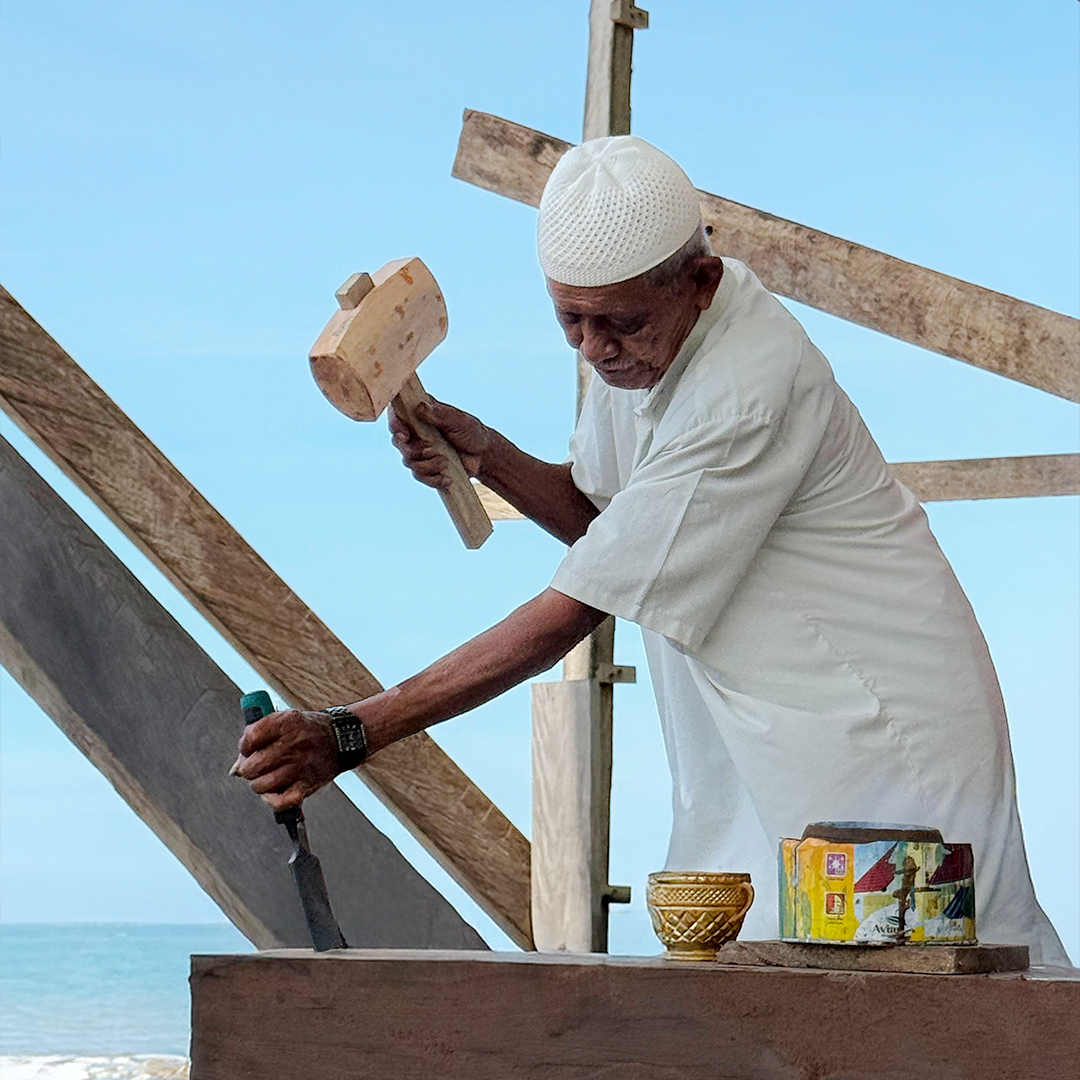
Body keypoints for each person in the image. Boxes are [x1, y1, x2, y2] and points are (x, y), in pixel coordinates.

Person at [234, 136, 1068, 965]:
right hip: (754, 728)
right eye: (570, 320)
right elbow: (605, 520)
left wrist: (353, 733)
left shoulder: (747, 388)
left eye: (616, 323)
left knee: (933, 998)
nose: (596, 349)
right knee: (769, 1001)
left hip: (881, 725)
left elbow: (579, 605)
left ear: (700, 283)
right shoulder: (635, 344)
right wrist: (489, 454)